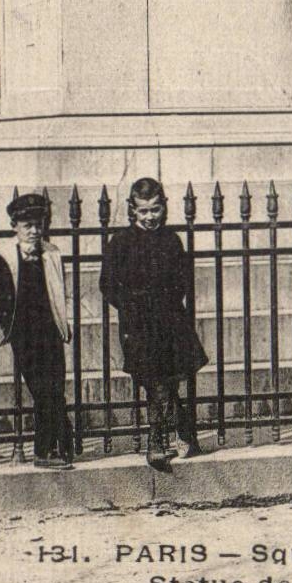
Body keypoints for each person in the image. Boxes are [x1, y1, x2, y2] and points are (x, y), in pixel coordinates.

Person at [99, 177, 208, 470]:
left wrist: (164, 302)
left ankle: (164, 439)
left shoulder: (171, 240)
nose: (150, 217)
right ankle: (172, 434)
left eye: (155, 210)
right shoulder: (120, 242)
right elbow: (107, 284)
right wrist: (132, 306)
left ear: (164, 207)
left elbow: (182, 281)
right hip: (138, 326)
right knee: (154, 381)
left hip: (169, 322)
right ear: (132, 210)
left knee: (165, 381)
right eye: (143, 211)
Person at [0, 189, 74, 470]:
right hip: (25, 333)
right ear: (14, 226)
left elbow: (59, 290)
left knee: (55, 386)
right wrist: (7, 313)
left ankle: (59, 442)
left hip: (50, 330)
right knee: (42, 390)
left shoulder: (51, 253)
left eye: (38, 225)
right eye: (27, 225)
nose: (34, 231)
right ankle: (45, 450)